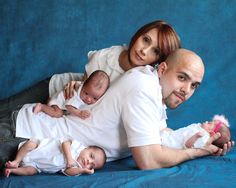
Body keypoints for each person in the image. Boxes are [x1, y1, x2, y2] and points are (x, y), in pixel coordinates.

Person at [0, 49, 233, 171]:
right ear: (162, 68)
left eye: (194, 85)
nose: (186, 90)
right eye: (182, 78)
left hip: (30, 138)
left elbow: (161, 138)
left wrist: (203, 140)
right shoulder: (143, 87)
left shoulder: (154, 92)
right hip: (22, 133)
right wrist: (195, 153)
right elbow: (149, 159)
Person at [0, 20, 181, 115]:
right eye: (145, 40)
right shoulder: (105, 56)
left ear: (159, 60)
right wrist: (77, 85)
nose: (143, 50)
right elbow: (81, 94)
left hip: (65, 110)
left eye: (154, 51)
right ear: (139, 34)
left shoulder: (142, 81)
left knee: (14, 121)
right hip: (59, 87)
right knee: (7, 108)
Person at [4, 138, 106, 177]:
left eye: (92, 165)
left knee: (31, 171)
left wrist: (83, 170)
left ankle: (13, 170)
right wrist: (69, 158)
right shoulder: (77, 146)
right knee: (30, 144)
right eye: (91, 156)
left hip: (36, 165)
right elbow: (65, 144)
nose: (89, 161)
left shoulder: (77, 168)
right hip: (38, 148)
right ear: (86, 148)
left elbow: (68, 172)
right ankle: (16, 161)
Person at [33, 70, 110, 119]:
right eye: (86, 93)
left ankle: (48, 102)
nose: (88, 99)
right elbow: (68, 106)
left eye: (95, 98)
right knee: (58, 114)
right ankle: (41, 106)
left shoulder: (85, 87)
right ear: (84, 85)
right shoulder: (76, 95)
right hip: (58, 102)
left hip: (57, 97)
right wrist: (78, 113)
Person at [161, 115, 231, 149]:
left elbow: (187, 145)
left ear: (211, 133)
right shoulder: (200, 128)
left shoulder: (203, 137)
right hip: (172, 136)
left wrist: (196, 136)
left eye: (209, 123)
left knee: (160, 139)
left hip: (171, 144)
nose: (206, 121)